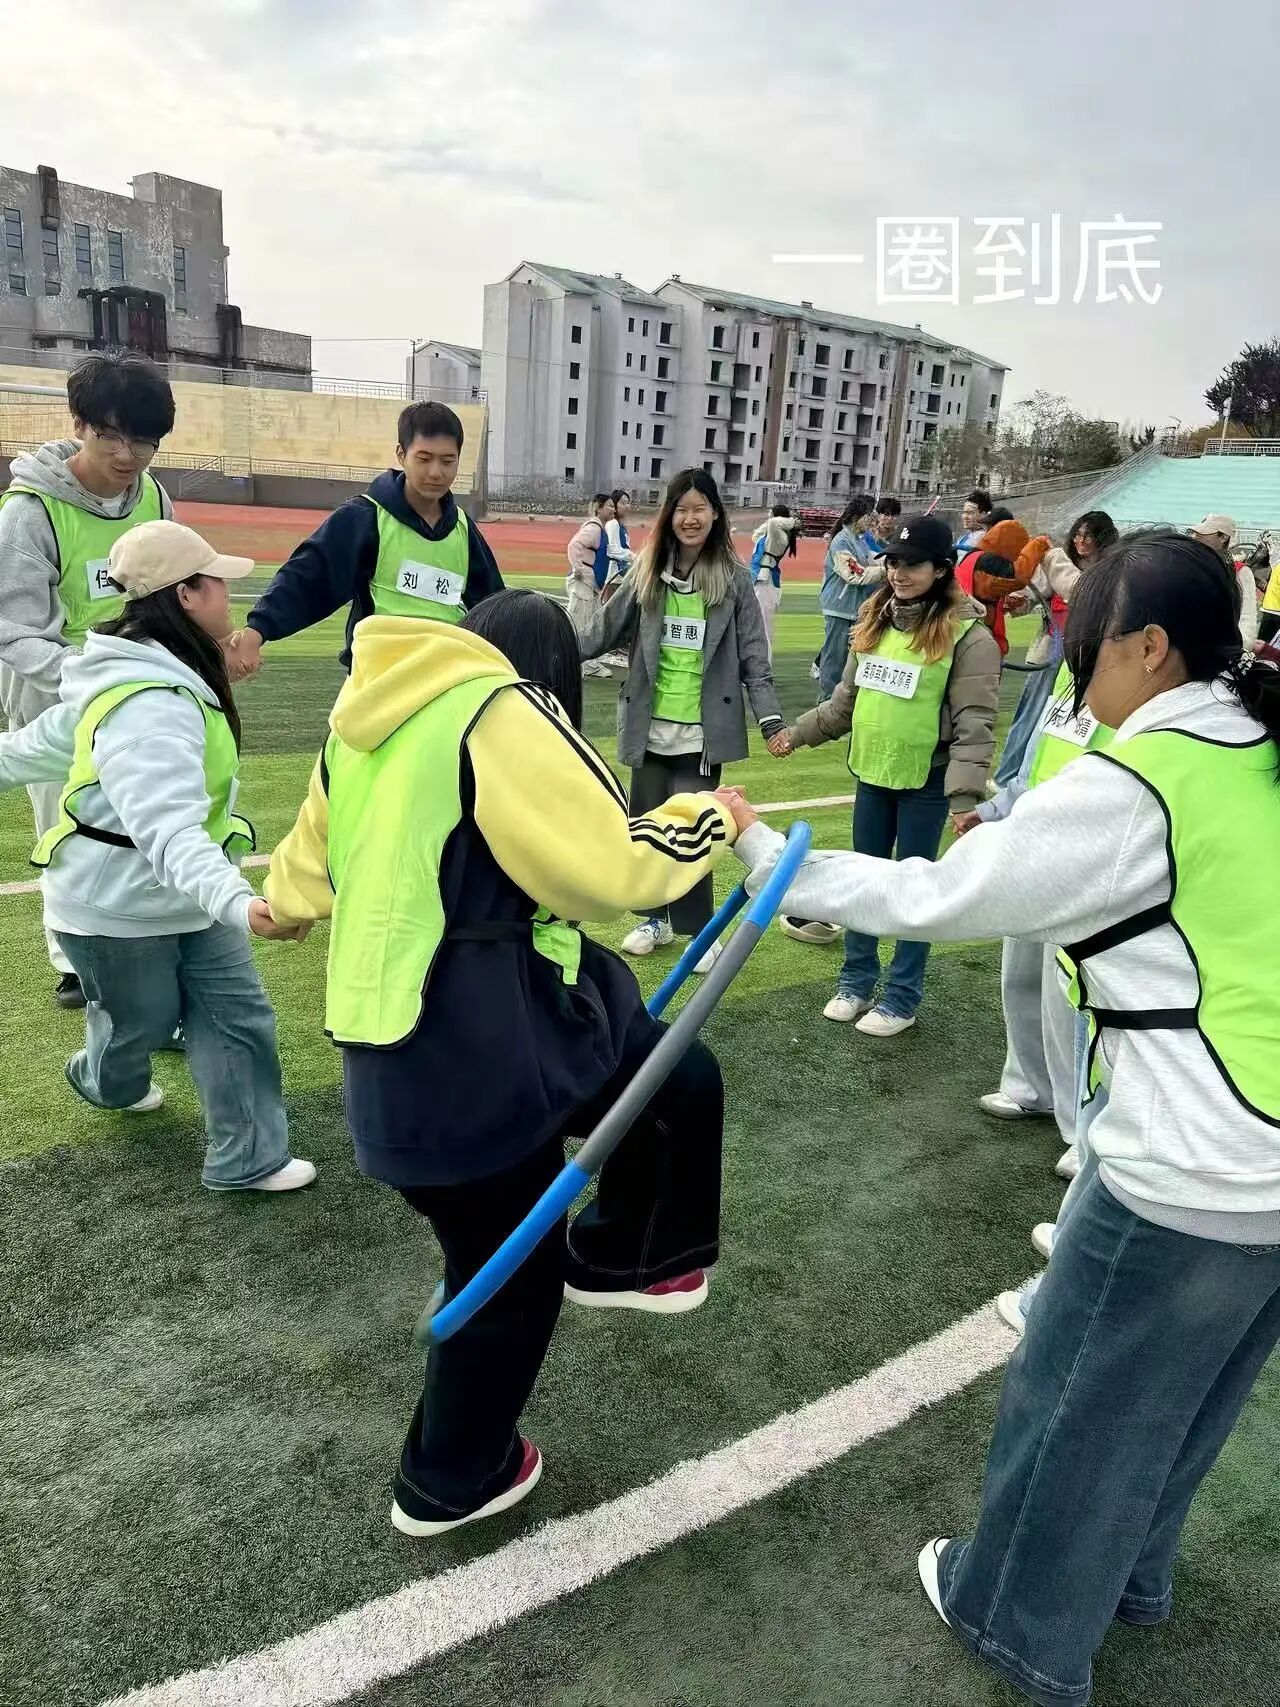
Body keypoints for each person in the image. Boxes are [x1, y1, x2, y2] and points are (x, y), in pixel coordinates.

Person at [726, 530, 1280, 1707]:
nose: (1073, 674)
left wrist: (771, 857)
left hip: (1190, 1161)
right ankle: (1127, 1581)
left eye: (1084, 649)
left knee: (1074, 1399)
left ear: (1147, 647)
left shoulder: (1142, 780)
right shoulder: (1254, 746)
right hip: (1258, 1160)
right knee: (1181, 1400)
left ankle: (1015, 1619)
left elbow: (941, 894)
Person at [262, 589, 735, 1537]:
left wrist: (279, 905)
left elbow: (300, 876)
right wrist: (710, 817)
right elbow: (607, 867)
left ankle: (625, 1255)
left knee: (669, 1080)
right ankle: (449, 1477)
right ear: (551, 674)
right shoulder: (502, 710)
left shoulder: (364, 727)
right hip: (478, 1049)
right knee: (508, 1271)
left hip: (402, 1044)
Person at [0, 520, 315, 1191]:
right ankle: (102, 1079)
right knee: (135, 1027)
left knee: (238, 1019)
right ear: (186, 596)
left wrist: (223, 901)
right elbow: (168, 832)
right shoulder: (150, 704)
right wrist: (240, 902)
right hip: (116, 908)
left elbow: (28, 750)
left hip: (189, 898)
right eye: (217, 581)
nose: (229, 593)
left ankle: (249, 1158)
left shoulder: (152, 675)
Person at [772, 514, 1000, 1037]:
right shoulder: (874, 620)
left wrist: (964, 799)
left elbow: (975, 724)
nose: (899, 572)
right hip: (872, 775)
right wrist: (797, 733)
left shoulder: (970, 637)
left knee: (913, 893)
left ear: (941, 569)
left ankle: (901, 997)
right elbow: (845, 703)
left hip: (925, 783)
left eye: (913, 564)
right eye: (894, 561)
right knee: (864, 885)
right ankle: (855, 981)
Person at [0, 353, 176, 1008]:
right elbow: (15, 630)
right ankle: (72, 959)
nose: (128, 455)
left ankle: (142, 937)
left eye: (144, 440)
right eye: (110, 436)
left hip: (136, 693)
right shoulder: (31, 512)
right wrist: (88, 676)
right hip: (55, 695)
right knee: (66, 823)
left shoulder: (154, 499)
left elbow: (171, 591)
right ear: (79, 425)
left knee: (143, 817)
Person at [571, 468, 785, 972]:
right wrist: (544, 645)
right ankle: (654, 919)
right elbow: (600, 631)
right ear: (669, 516)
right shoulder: (645, 574)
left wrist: (772, 722)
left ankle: (697, 931)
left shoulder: (733, 581)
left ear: (715, 515)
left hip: (701, 735)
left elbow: (754, 658)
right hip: (647, 729)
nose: (690, 519)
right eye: (681, 509)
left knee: (694, 832)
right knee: (647, 827)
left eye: (699, 509)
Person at [229, 401, 503, 678]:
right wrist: (256, 631)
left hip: (446, 675)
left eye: (447, 461)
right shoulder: (365, 518)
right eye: (424, 458)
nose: (436, 472)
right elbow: (309, 577)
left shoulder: (463, 528)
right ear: (401, 455)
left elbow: (494, 607)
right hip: (379, 676)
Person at [993, 510, 1118, 787]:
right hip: (1051, 648)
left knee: (1068, 718)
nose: (1080, 540)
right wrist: (1018, 602)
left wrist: (1051, 557)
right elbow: (1033, 596)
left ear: (1102, 538)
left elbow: (1080, 591)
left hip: (1086, 655)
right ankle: (1006, 777)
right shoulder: (1063, 565)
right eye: (1078, 534)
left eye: (1088, 535)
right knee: (1031, 712)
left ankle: (1046, 778)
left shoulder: (1108, 572)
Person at [815, 499, 888, 701]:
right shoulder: (842, 541)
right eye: (869, 515)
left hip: (854, 608)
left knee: (851, 657)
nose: (872, 520)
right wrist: (886, 571)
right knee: (834, 657)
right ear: (857, 517)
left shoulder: (858, 539)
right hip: (840, 608)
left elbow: (873, 558)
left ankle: (844, 699)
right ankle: (827, 699)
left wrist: (892, 559)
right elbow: (854, 574)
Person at [955, 517, 1051, 656]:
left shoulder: (972, 556)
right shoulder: (989, 560)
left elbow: (988, 588)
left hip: (965, 622)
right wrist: (1037, 546)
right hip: (980, 626)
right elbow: (1017, 578)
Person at [1189, 514, 1258, 649]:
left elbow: (1247, 616)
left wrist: (1242, 646)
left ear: (1223, 537)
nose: (1195, 537)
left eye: (1203, 534)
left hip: (1223, 648)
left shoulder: (1240, 572)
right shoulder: (1190, 565)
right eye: (1195, 533)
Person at [566, 493, 616, 678]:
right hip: (583, 583)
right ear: (598, 508)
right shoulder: (594, 528)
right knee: (580, 622)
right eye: (609, 505)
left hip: (590, 583)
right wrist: (578, 569)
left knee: (588, 621)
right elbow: (574, 546)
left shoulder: (600, 528)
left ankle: (585, 663)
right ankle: (580, 664)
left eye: (613, 506)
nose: (613, 509)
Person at [748, 502, 800, 658]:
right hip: (760, 579)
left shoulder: (779, 536)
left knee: (763, 625)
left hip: (766, 581)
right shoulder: (771, 534)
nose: (768, 516)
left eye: (771, 513)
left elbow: (772, 523)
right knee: (756, 622)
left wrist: (792, 522)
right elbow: (755, 535)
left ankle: (765, 663)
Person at [604, 487, 635, 591]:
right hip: (613, 577)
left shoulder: (620, 525)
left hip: (619, 576)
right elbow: (613, 549)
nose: (627, 506)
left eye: (628, 503)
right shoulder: (613, 523)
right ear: (614, 505)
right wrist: (634, 557)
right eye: (623, 503)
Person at [954, 488, 993, 553]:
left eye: (970, 513)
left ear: (983, 514)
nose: (965, 516)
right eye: (964, 512)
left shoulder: (985, 538)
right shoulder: (966, 536)